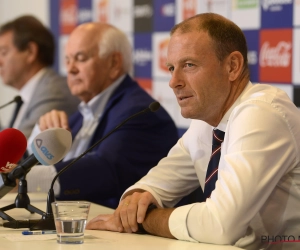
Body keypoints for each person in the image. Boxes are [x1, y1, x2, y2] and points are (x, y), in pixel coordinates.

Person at [86, 13, 300, 250]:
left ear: (232, 66)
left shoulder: (262, 113)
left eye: (189, 65)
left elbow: (221, 225)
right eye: (170, 68)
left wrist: (146, 219)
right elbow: (157, 183)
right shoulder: (207, 122)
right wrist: (136, 199)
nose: (174, 81)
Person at [25, 22, 178, 209]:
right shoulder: (82, 114)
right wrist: (40, 135)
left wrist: (23, 180)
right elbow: (50, 163)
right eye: (67, 60)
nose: (70, 69)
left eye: (80, 58)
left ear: (114, 63)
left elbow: (104, 170)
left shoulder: (138, 112)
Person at [0, 15, 79, 138]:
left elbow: (19, 154)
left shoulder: (53, 92)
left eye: (3, 53)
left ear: (30, 52)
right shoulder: (27, 96)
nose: (0, 62)